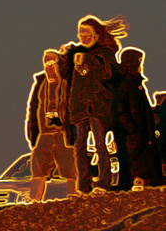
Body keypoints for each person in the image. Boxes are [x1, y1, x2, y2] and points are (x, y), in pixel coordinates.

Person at [58, 15, 126, 193]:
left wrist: (88, 62)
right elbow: (65, 75)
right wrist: (65, 58)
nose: (83, 36)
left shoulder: (105, 53)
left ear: (96, 35)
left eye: (87, 33)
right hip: (79, 106)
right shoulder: (75, 52)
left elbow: (110, 74)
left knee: (100, 145)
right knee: (80, 147)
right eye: (81, 33)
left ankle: (103, 182)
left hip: (98, 106)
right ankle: (84, 184)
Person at [25, 49, 76, 189]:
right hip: (43, 135)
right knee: (38, 173)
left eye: (53, 62)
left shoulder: (67, 82)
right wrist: (32, 135)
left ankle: (73, 202)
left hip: (63, 135)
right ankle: (34, 204)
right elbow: (32, 108)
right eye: (46, 63)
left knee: (71, 172)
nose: (49, 66)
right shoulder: (40, 83)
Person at [115, 48, 161, 188]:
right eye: (139, 61)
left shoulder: (136, 83)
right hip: (134, 135)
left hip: (142, 132)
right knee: (137, 160)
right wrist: (131, 127)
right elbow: (120, 109)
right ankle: (137, 180)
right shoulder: (125, 84)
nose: (141, 65)